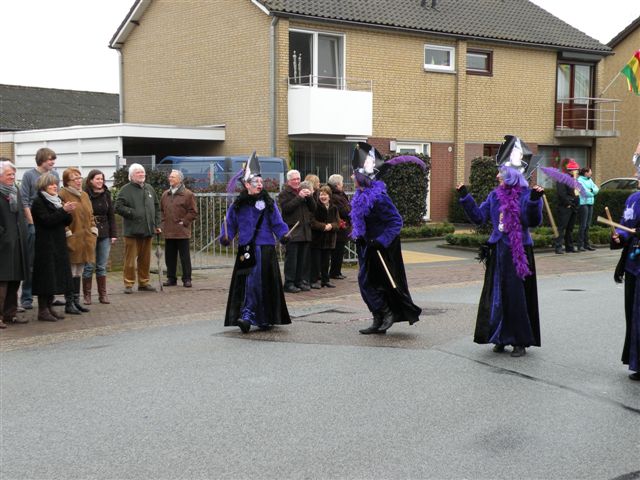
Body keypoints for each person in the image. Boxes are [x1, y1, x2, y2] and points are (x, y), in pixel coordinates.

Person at [457, 135, 543, 357]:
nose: (497, 175)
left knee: (517, 297)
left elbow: (531, 221)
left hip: (519, 251)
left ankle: (519, 340)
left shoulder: (526, 195)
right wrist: (465, 196)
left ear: (512, 175)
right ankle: (500, 336)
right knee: (497, 296)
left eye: (501, 172)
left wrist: (535, 201)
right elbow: (478, 217)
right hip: (499, 251)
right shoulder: (494, 197)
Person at [350, 142, 421, 334]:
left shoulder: (380, 197)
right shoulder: (358, 196)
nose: (351, 177)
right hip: (367, 246)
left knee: (381, 283)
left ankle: (386, 314)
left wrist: (380, 241)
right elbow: (360, 221)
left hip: (382, 247)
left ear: (363, 177)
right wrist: (359, 235)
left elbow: (396, 222)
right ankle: (378, 316)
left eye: (354, 174)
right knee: (365, 283)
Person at [220, 153, 291, 333]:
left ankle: (258, 316)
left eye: (261, 182)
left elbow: (277, 222)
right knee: (249, 282)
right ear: (246, 185)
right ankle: (248, 315)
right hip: (247, 249)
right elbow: (229, 224)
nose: (259, 185)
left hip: (265, 248)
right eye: (255, 182)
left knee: (261, 282)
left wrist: (283, 234)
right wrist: (226, 237)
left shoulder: (268, 203)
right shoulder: (238, 205)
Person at [18, 147, 60, 310]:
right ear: (42, 159)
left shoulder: (55, 175)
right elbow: (25, 201)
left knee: (51, 261)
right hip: (34, 224)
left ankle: (51, 294)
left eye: (53, 159)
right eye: (50, 159)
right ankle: (27, 297)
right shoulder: (29, 175)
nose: (53, 162)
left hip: (51, 224)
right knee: (32, 261)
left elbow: (57, 199)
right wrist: (31, 224)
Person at [31, 173, 75, 322]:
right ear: (44, 186)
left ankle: (50, 307)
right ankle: (42, 310)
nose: (54, 186)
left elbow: (66, 221)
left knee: (54, 277)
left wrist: (68, 211)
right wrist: (63, 211)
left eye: (56, 184)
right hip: (45, 245)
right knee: (46, 277)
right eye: (51, 184)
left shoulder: (58, 200)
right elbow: (47, 221)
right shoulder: (38, 202)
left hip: (58, 243)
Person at [611, 174, 640, 381]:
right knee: (633, 314)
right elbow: (625, 224)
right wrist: (620, 236)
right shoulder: (633, 199)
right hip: (633, 264)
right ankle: (638, 362)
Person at [114, 163, 161, 294]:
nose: (141, 175)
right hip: (132, 231)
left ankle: (144, 282)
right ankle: (128, 284)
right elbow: (118, 207)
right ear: (131, 176)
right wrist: (133, 213)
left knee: (145, 260)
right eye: (138, 173)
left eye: (142, 172)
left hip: (148, 230)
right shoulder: (125, 189)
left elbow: (157, 207)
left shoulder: (149, 189)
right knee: (130, 260)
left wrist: (157, 224)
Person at [59, 168, 97, 315]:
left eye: (79, 177)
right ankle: (69, 303)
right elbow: (61, 217)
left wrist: (94, 230)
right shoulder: (63, 194)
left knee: (79, 271)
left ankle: (76, 301)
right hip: (73, 239)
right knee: (70, 271)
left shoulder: (85, 195)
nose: (78, 180)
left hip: (86, 239)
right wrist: (68, 234)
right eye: (74, 178)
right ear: (67, 181)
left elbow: (91, 215)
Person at [0, 160, 29, 328]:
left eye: (13, 174)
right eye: (8, 174)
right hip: (3, 243)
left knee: (15, 278)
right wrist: (3, 235)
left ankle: (10, 314)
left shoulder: (15, 190)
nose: (12, 177)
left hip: (17, 242)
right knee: (2, 280)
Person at [277, 169, 316, 293]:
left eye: (298, 179)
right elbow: (287, 209)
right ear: (288, 181)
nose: (296, 181)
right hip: (293, 230)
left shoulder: (303, 191)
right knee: (292, 260)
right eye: (294, 179)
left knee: (302, 260)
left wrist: (309, 197)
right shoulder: (284, 194)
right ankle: (289, 283)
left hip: (304, 230)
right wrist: (299, 197)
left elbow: (313, 208)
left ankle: (299, 281)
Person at [82, 169, 117, 304]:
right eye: (97, 179)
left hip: (105, 232)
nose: (100, 181)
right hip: (90, 232)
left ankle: (103, 294)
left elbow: (111, 215)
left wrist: (113, 234)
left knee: (101, 265)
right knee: (89, 265)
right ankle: (87, 295)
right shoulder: (85, 195)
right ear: (91, 180)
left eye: (102, 179)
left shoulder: (106, 194)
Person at [160, 170, 198, 288]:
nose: (170, 178)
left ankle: (187, 279)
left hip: (182, 231)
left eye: (173, 177)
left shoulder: (188, 194)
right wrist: (162, 223)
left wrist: (184, 222)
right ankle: (171, 278)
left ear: (179, 180)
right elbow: (161, 211)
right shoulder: (165, 194)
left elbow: (193, 212)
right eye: (170, 176)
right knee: (169, 257)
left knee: (184, 257)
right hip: (169, 231)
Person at [310, 185, 339, 289]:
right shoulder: (315, 207)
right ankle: (313, 281)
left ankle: (325, 280)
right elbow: (312, 222)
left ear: (329, 196)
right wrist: (323, 226)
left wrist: (331, 226)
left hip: (329, 240)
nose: (323, 197)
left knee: (326, 262)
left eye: (325, 195)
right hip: (317, 239)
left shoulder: (334, 208)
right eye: (321, 194)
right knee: (316, 262)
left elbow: (337, 222)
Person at [553, 158, 580, 254]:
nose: (577, 171)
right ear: (571, 170)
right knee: (562, 227)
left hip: (573, 207)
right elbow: (561, 194)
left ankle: (569, 246)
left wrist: (575, 203)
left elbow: (576, 193)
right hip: (565, 207)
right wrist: (569, 203)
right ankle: (558, 246)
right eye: (576, 170)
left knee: (570, 228)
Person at [328, 174, 351, 280]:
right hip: (340, 226)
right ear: (337, 185)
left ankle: (337, 271)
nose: (343, 185)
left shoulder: (340, 194)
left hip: (343, 226)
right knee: (337, 251)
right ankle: (335, 272)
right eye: (341, 183)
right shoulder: (335, 196)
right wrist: (350, 209)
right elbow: (344, 211)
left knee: (339, 250)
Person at [577, 167, 599, 251]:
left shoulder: (590, 180)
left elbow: (597, 189)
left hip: (590, 203)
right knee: (583, 225)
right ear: (585, 173)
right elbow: (584, 192)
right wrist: (592, 192)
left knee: (588, 225)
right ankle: (580, 245)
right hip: (583, 204)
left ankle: (586, 244)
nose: (591, 173)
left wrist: (592, 190)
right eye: (590, 172)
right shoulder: (579, 181)